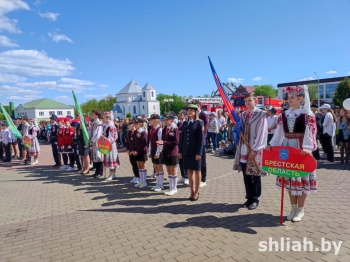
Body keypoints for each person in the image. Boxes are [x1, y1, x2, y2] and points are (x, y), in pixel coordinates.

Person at [268, 85, 317, 222]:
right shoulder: (283, 115)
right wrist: (273, 145)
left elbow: (310, 133)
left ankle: (300, 210)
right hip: (287, 147)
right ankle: (293, 208)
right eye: (288, 97)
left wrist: (307, 147)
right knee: (289, 178)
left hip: (300, 147)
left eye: (292, 97)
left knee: (301, 178)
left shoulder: (307, 115)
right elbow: (279, 132)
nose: (289, 100)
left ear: (301, 98)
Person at [233, 92, 268, 210]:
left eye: (250, 101)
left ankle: (255, 198)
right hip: (244, 148)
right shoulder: (243, 115)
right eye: (246, 101)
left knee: (255, 174)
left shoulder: (261, 115)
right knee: (245, 174)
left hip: (254, 148)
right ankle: (249, 197)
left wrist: (256, 149)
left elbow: (262, 133)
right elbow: (239, 131)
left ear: (255, 101)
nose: (247, 103)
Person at [179, 104, 204, 201]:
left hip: (195, 151)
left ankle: (197, 192)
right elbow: (182, 138)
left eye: (191, 110)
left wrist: (199, 153)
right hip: (187, 151)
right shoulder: (185, 123)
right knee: (189, 170)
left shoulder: (199, 123)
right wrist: (181, 150)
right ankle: (192, 191)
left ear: (195, 112)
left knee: (197, 171)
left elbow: (201, 140)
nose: (189, 112)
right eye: (188, 110)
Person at [156, 113, 179, 195]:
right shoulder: (164, 129)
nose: (165, 121)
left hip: (173, 152)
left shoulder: (174, 129)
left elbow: (176, 142)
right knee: (168, 170)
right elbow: (163, 140)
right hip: (166, 152)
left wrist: (164, 142)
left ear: (171, 120)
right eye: (164, 119)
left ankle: (174, 188)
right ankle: (170, 187)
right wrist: (161, 143)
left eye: (167, 119)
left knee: (173, 170)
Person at [193, 100, 208, 188]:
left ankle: (203, 179)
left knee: (202, 161)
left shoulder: (203, 115)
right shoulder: (194, 115)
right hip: (194, 141)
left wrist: (203, 137)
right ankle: (197, 178)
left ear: (198, 105)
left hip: (201, 140)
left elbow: (205, 127)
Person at [148, 114, 164, 191]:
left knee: (159, 167)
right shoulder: (151, 129)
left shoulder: (160, 130)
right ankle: (157, 183)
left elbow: (160, 142)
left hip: (159, 150)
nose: (150, 121)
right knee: (155, 166)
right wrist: (150, 151)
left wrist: (158, 153)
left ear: (156, 120)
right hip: (154, 150)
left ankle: (161, 184)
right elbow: (151, 142)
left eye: (151, 119)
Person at [101, 112, 119, 181]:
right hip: (106, 144)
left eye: (105, 117)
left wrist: (107, 139)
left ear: (108, 118)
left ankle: (113, 173)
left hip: (111, 144)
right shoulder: (105, 125)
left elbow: (114, 136)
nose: (103, 119)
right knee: (108, 158)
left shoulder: (111, 125)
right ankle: (110, 173)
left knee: (112, 158)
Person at [132, 118, 148, 189]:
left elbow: (143, 143)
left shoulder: (143, 132)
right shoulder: (136, 132)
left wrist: (137, 151)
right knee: (139, 166)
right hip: (137, 151)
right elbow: (135, 142)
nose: (135, 125)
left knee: (143, 165)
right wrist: (134, 150)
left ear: (140, 124)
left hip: (142, 151)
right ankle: (141, 180)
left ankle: (144, 181)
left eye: (137, 124)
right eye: (135, 124)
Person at [90, 109, 104, 178]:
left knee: (99, 157)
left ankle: (100, 172)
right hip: (94, 141)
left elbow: (98, 134)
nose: (92, 115)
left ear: (96, 115)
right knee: (95, 157)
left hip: (97, 142)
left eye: (93, 114)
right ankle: (96, 172)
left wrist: (95, 140)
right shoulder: (94, 122)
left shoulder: (99, 123)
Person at [177, 110, 189, 185]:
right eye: (179, 114)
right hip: (179, 144)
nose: (179, 116)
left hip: (184, 144)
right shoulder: (179, 123)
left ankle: (187, 177)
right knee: (180, 161)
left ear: (184, 115)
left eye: (180, 115)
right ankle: (183, 176)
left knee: (185, 161)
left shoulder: (186, 123)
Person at [126, 120, 139, 184]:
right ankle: (135, 176)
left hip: (135, 152)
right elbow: (128, 142)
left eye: (129, 125)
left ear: (133, 125)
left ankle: (138, 176)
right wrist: (128, 150)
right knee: (133, 164)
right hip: (130, 151)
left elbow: (137, 143)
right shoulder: (129, 132)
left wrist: (134, 150)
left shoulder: (137, 132)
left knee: (136, 165)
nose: (128, 126)